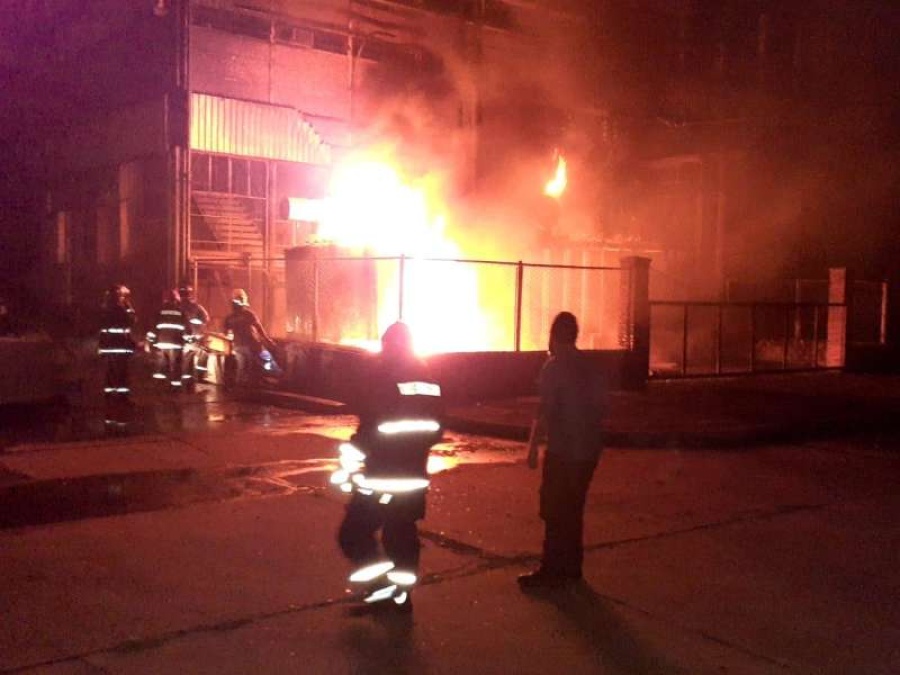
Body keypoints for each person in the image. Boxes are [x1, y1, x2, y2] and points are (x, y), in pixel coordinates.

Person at [332, 321, 443, 614]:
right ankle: (399, 601)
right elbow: (436, 430)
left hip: (383, 477)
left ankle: (382, 590)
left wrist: (353, 454)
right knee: (401, 537)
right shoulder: (429, 381)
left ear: (390, 346)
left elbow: (372, 427)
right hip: (414, 478)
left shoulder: (384, 378)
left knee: (353, 534)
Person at [519, 311, 607, 590]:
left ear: (554, 335)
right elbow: (602, 407)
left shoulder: (553, 368)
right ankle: (571, 569)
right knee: (573, 508)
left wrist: (532, 449)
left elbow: (543, 411)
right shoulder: (589, 366)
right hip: (589, 451)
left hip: (564, 451)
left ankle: (551, 570)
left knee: (554, 508)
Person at [223, 288, 274, 387]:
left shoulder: (229, 318)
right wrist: (268, 340)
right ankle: (250, 387)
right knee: (252, 366)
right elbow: (259, 327)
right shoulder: (249, 314)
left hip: (238, 346)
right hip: (251, 345)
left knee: (242, 367)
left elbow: (226, 333)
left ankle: (240, 386)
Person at [98, 284, 137, 403]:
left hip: (108, 346)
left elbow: (102, 330)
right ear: (118, 297)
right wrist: (128, 303)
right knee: (122, 373)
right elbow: (132, 320)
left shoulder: (105, 311)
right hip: (120, 345)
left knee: (110, 372)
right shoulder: (121, 310)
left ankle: (109, 396)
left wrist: (101, 347)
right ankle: (122, 398)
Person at [146, 288, 189, 390]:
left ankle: (160, 385)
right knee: (176, 366)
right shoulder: (181, 312)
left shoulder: (159, 311)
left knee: (161, 364)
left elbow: (153, 328)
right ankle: (175, 387)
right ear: (176, 299)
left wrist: (151, 342)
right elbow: (187, 330)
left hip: (162, 343)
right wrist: (189, 340)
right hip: (176, 344)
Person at [178, 281, 210, 389]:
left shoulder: (176, 306)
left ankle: (184, 380)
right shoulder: (196, 307)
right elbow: (206, 319)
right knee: (199, 354)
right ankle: (194, 380)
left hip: (180, 339)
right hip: (193, 338)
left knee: (184, 358)